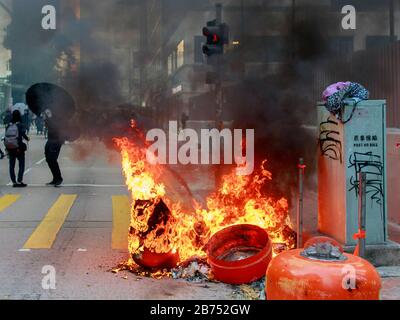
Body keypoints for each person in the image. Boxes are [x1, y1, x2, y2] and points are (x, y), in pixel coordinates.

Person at [4, 110, 30, 188]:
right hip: (18, 147)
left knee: (12, 165)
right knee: (21, 164)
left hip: (10, 147)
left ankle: (14, 181)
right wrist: (27, 138)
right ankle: (19, 180)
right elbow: (23, 134)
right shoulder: (20, 125)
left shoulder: (9, 125)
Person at [44, 110, 65, 187]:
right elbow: (47, 126)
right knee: (48, 159)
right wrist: (46, 118)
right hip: (50, 140)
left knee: (52, 159)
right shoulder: (50, 119)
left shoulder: (58, 119)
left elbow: (54, 126)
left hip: (56, 141)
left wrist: (49, 117)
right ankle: (55, 178)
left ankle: (58, 178)